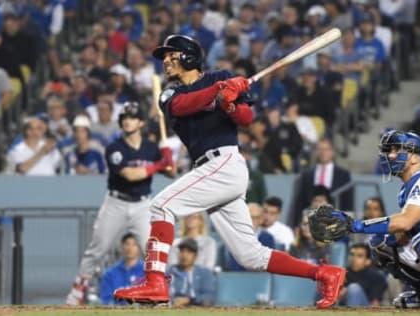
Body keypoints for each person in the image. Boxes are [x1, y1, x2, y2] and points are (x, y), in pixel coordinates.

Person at [113, 35, 346, 309]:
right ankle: (323, 273)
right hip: (211, 170)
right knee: (250, 256)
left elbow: (245, 119)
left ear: (189, 56)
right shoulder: (170, 94)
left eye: (171, 54)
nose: (165, 60)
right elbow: (183, 106)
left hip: (224, 162)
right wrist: (221, 91)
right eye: (164, 56)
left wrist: (230, 104)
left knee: (161, 205)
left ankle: (155, 281)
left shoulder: (220, 77)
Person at [331, 130, 420, 308]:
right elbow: (406, 228)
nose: (391, 155)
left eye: (398, 150)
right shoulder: (407, 188)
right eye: (389, 150)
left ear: (415, 157)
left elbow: (406, 220)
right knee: (381, 242)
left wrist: (355, 225)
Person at [66, 101, 175, 305]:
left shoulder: (151, 148)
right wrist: (160, 164)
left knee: (153, 252)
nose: (127, 121)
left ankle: (161, 297)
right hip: (116, 203)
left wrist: (168, 159)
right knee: (97, 249)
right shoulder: (115, 148)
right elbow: (130, 175)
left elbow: (172, 172)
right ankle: (76, 294)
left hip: (143, 205)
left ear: (141, 122)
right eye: (124, 118)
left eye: (132, 117)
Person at [226, 203, 275, 271]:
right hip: (240, 278)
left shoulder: (268, 238)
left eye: (257, 217)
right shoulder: (236, 237)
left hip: (262, 277)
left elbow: (269, 264)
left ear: (261, 219)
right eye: (251, 217)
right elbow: (235, 267)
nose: (254, 221)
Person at [167, 238, 215, 307]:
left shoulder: (205, 273)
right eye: (182, 251)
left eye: (189, 252)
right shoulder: (169, 272)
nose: (184, 255)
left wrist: (189, 300)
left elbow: (209, 297)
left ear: (196, 256)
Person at [99, 232, 145, 305]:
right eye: (127, 244)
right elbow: (106, 301)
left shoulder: (147, 273)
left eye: (134, 244)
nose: (130, 248)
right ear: (122, 247)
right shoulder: (109, 274)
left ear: (139, 247)